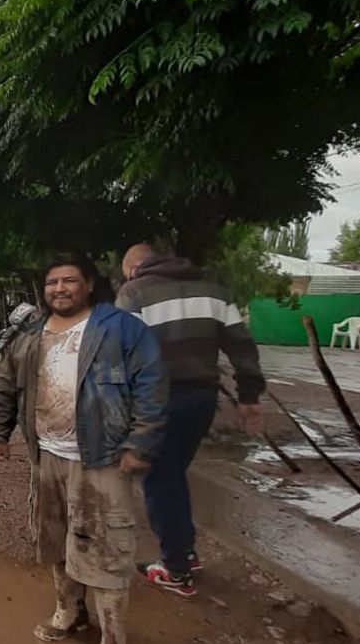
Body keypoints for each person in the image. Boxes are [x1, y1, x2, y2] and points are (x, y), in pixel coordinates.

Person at [0, 253, 167, 644]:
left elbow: (152, 387)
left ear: (88, 283)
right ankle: (70, 613)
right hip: (47, 455)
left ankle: (113, 634)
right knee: (56, 540)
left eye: (69, 280)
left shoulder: (120, 328)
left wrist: (141, 442)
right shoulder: (31, 333)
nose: (60, 288)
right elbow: (7, 385)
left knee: (106, 549)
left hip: (102, 457)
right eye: (52, 282)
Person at [117, 243, 266, 597]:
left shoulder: (134, 292)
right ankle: (184, 552)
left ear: (135, 265)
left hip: (157, 401)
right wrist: (248, 395)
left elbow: (121, 352)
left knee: (158, 479)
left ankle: (176, 569)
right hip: (202, 400)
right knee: (172, 473)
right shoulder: (213, 289)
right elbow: (242, 344)